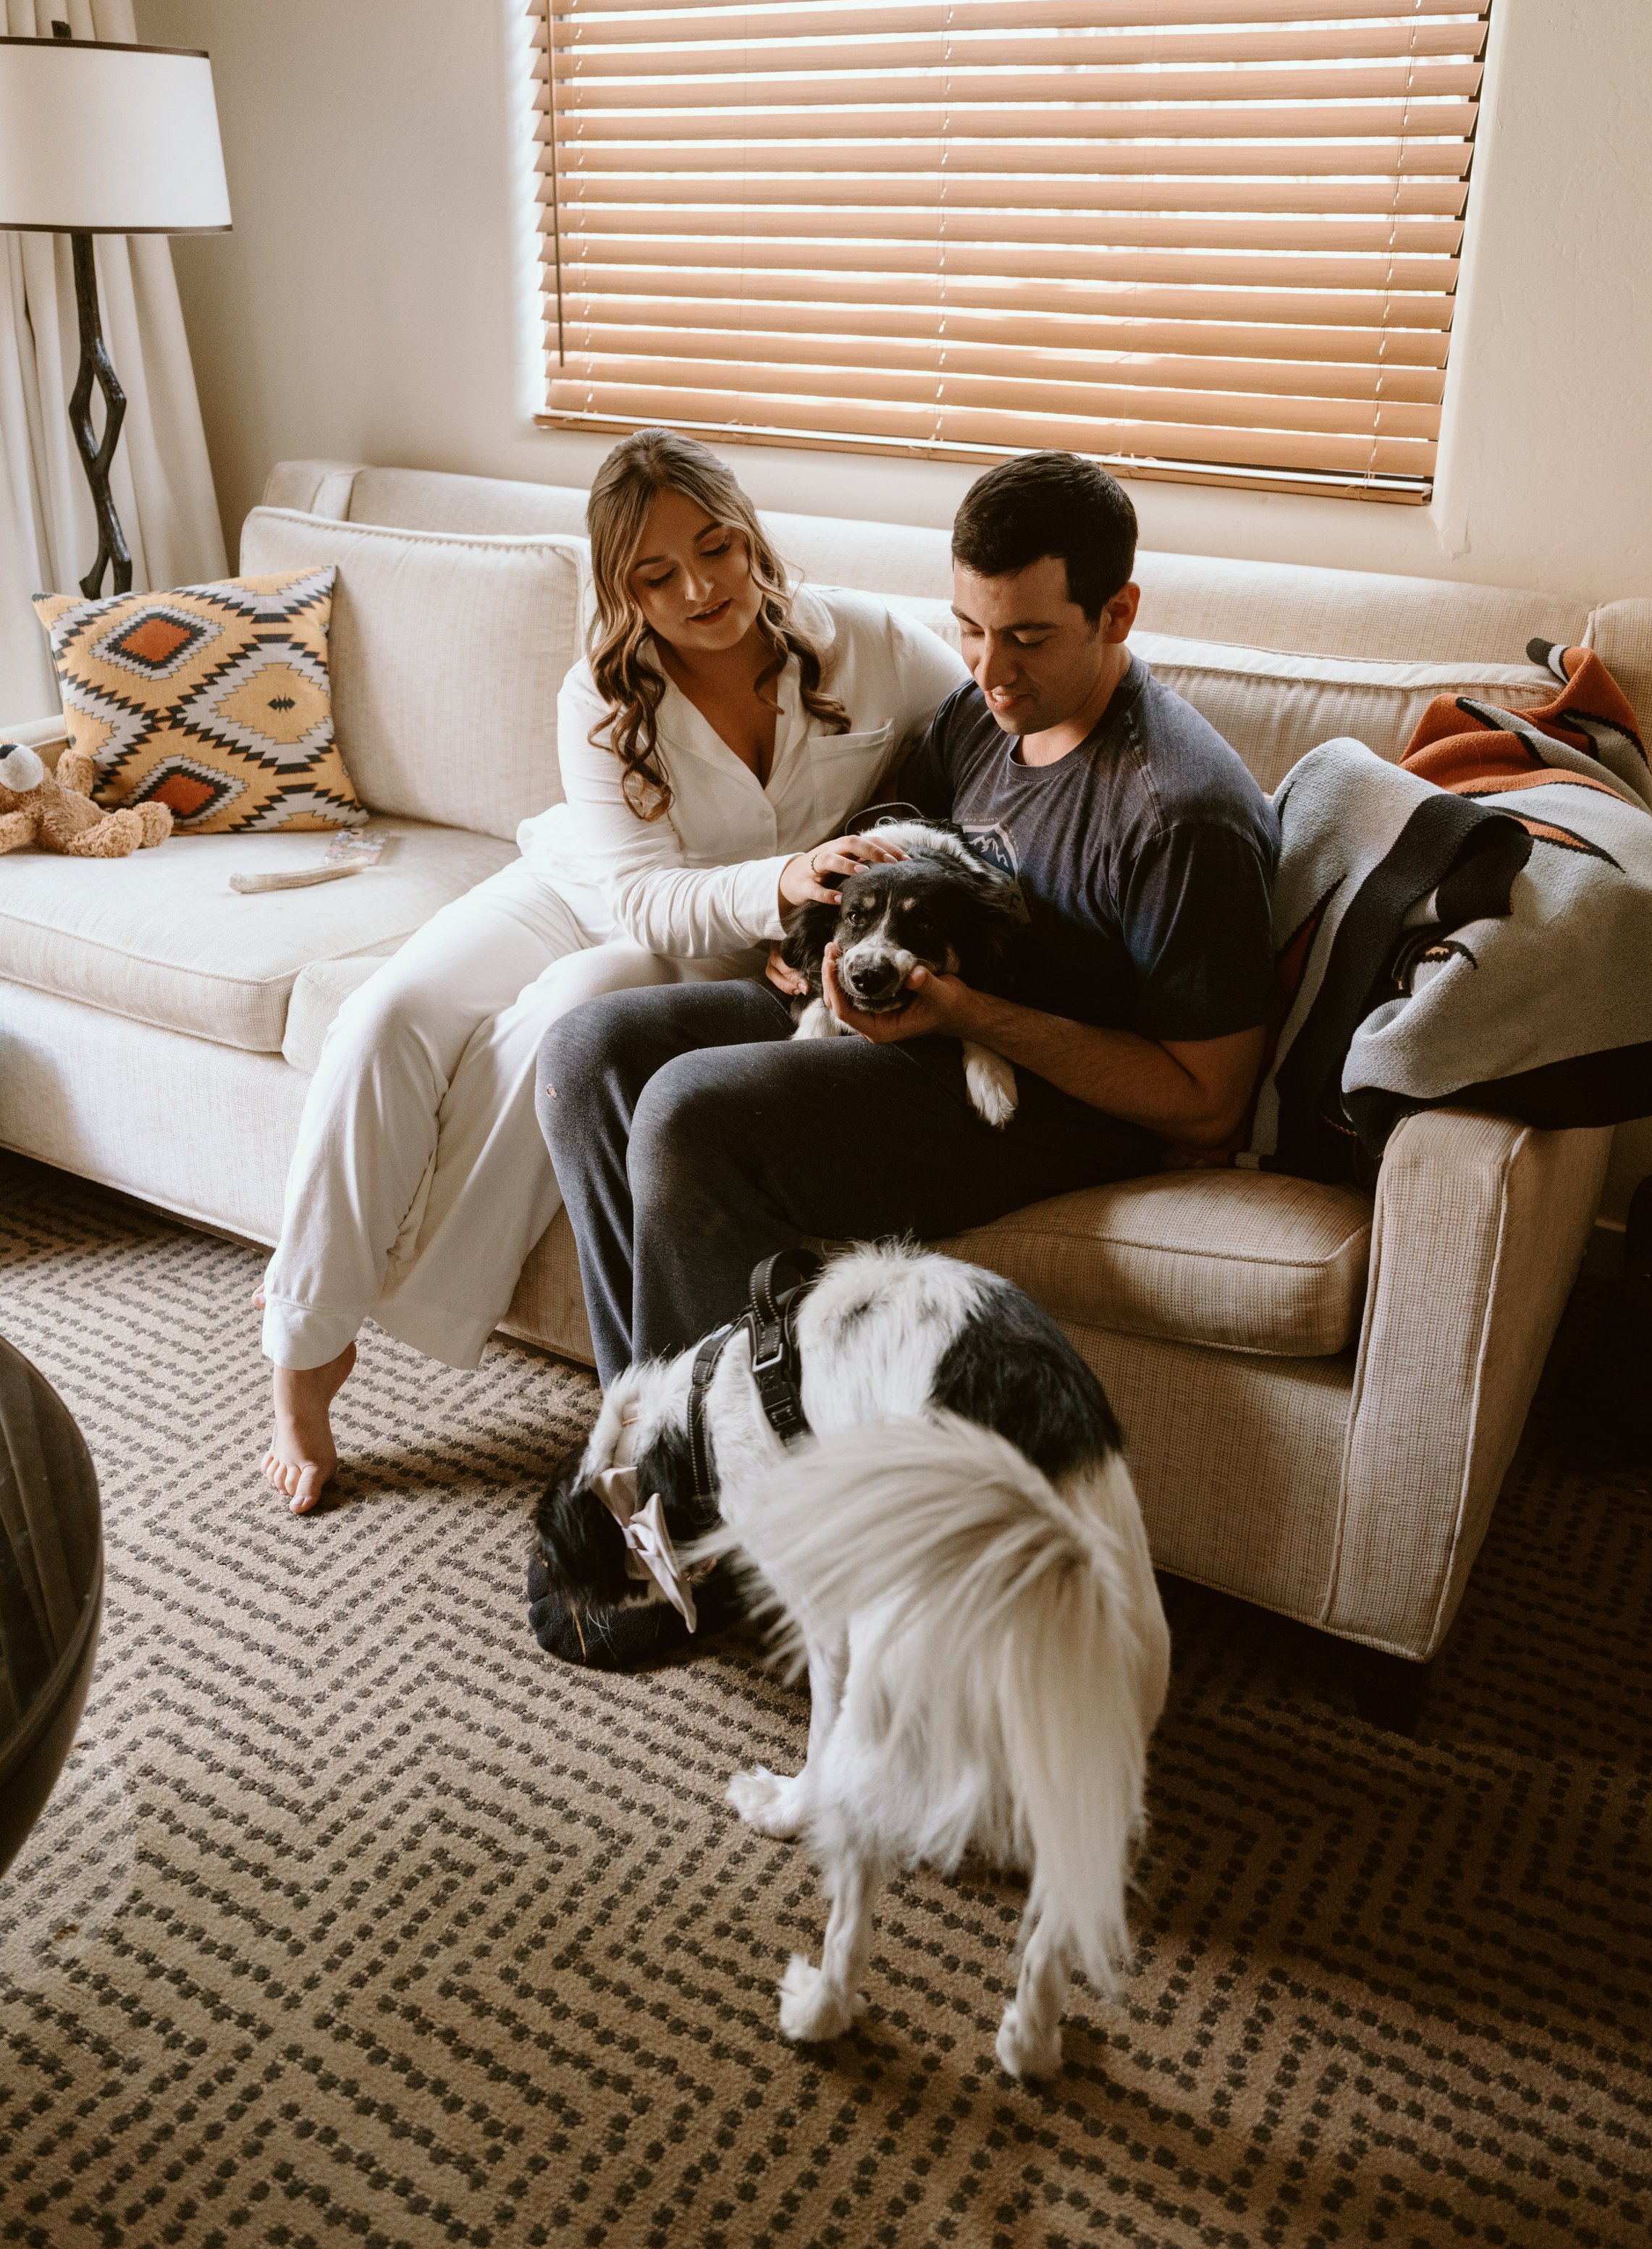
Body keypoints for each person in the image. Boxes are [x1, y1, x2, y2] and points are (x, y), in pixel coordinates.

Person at [534, 450, 1279, 1666]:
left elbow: (1205, 1103)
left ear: (1119, 613)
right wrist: (817, 935)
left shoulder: (1180, 812)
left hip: (1041, 1095)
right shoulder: (987, 725)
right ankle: (654, 1458)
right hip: (920, 1027)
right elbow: (878, 837)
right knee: (589, 1051)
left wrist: (971, 1014)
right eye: (971, 631)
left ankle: (716, 1524)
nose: (990, 673)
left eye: (1029, 638)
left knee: (687, 1114)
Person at [257, 426, 965, 1514]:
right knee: (384, 1013)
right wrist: (793, 876)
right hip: (584, 884)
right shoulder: (600, 693)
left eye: (715, 548)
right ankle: (304, 1358)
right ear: (620, 588)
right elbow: (637, 891)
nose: (698, 587)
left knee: (572, 1014)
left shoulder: (876, 645)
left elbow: (989, 748)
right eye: (656, 574)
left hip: (707, 948)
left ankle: (436, 1303)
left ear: (750, 537)